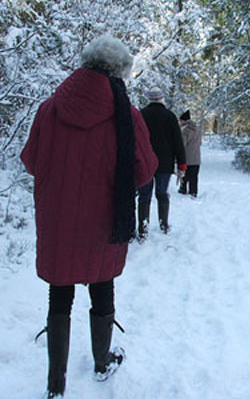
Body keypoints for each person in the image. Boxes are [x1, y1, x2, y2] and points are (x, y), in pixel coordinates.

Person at [20, 34, 158, 398]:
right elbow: (145, 171)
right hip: (105, 219)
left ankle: (56, 384)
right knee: (102, 286)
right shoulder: (125, 113)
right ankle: (101, 362)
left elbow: (31, 160)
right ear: (119, 72)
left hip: (59, 220)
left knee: (59, 294)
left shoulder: (51, 107)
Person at [137, 87, 186, 241]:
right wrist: (182, 166)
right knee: (162, 194)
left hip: (145, 162)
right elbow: (178, 143)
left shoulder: (141, 115)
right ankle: (163, 224)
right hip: (164, 164)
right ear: (161, 99)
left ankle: (143, 228)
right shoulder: (170, 116)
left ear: (149, 99)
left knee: (144, 196)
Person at [179, 109, 201, 197]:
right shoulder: (198, 130)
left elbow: (182, 144)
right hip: (196, 158)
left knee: (184, 176)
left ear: (184, 121)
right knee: (194, 177)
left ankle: (183, 189)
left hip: (187, 158)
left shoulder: (185, 131)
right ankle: (193, 192)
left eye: (180, 120)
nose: (179, 122)